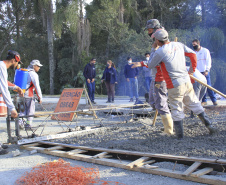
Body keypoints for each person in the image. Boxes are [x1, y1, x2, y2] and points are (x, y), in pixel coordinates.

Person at [148, 29, 217, 139]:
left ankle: (180, 136)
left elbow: (150, 65)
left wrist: (153, 49)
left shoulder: (160, 52)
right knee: (194, 103)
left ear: (157, 40)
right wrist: (191, 70)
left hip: (174, 84)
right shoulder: (179, 45)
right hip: (186, 81)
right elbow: (193, 54)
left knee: (176, 108)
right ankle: (210, 126)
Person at [132, 19, 174, 136]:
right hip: (155, 76)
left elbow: (152, 62)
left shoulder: (161, 45)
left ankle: (169, 129)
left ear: (156, 31)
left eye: (150, 30)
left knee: (160, 103)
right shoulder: (157, 43)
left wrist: (152, 49)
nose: (149, 33)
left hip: (160, 78)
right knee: (152, 101)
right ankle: (167, 114)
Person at [0, 50, 24, 155]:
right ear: (14, 60)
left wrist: (16, 87)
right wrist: (12, 108)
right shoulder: (1, 67)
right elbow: (4, 88)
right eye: (17, 63)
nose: (17, 65)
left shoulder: (1, 66)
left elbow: (4, 82)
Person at [192, 39, 217, 106]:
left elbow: (208, 61)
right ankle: (204, 101)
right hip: (198, 73)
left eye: (194, 44)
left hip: (205, 71)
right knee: (202, 87)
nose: (193, 46)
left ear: (198, 44)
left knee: (208, 86)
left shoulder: (205, 51)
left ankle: (214, 100)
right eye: (193, 45)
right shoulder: (194, 53)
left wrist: (207, 70)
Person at [19, 60, 43, 129]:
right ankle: (28, 125)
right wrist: (40, 98)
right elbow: (37, 87)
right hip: (28, 94)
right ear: (34, 66)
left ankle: (20, 123)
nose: (39, 68)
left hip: (20, 94)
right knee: (30, 110)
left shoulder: (24, 71)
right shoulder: (33, 74)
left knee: (22, 110)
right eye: (38, 66)